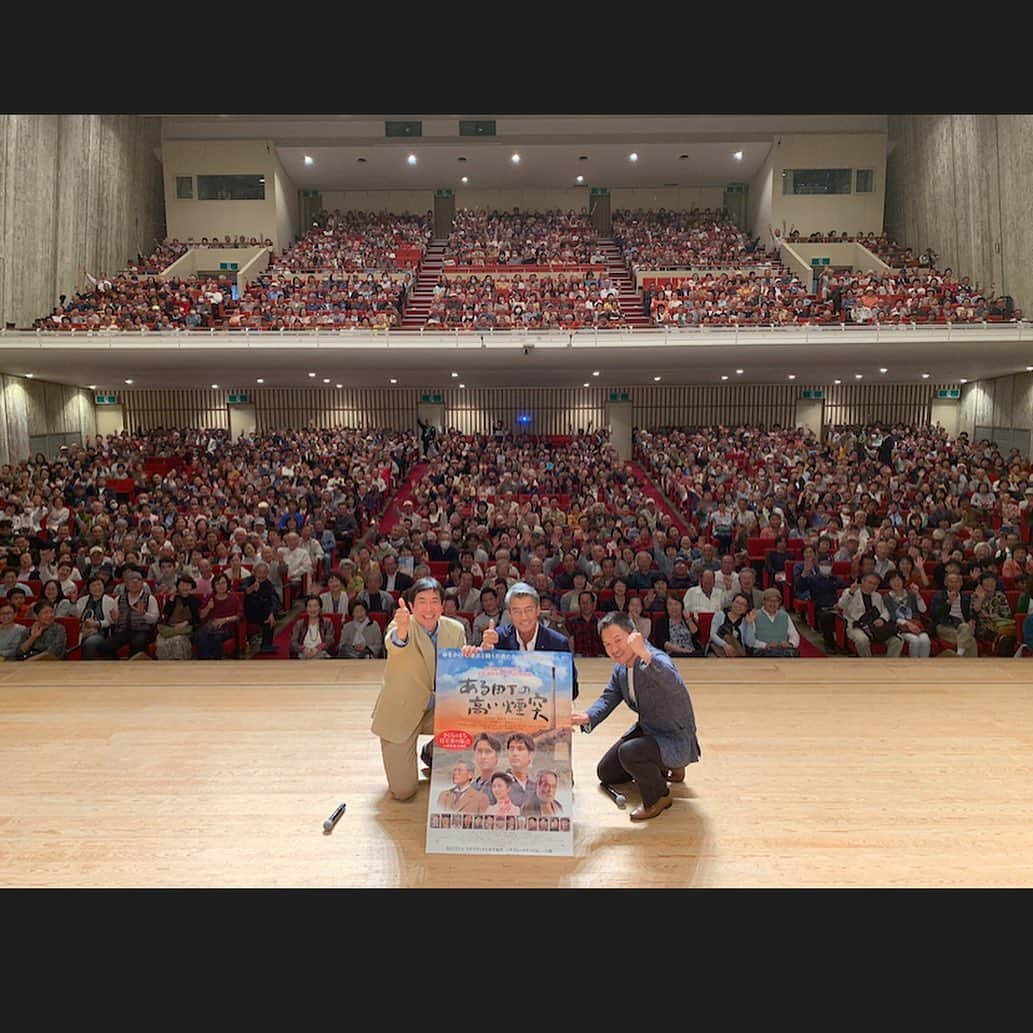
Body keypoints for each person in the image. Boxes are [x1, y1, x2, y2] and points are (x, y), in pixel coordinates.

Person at [571, 612, 701, 821]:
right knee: (606, 773)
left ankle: (659, 797)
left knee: (630, 753)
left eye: (617, 640)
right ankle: (664, 767)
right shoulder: (620, 668)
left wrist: (645, 655)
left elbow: (674, 684)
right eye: (607, 644)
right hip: (650, 729)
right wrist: (587, 717)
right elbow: (609, 698)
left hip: (673, 735)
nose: (613, 649)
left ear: (633, 635)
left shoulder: (654, 657)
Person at [370, 578, 469, 801]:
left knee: (475, 717)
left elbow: (461, 671)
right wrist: (402, 631)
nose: (429, 608)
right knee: (403, 792)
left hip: (438, 709)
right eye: (422, 601)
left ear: (443, 606)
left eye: (435, 601)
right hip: (402, 712)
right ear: (411, 606)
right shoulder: (400, 626)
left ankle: (432, 751)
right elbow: (394, 643)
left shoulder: (455, 630)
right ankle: (402, 753)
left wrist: (483, 650)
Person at [481, 582, 579, 698]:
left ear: (538, 610)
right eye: (517, 611)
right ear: (510, 614)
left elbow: (572, 691)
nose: (524, 617)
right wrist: (484, 651)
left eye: (529, 610)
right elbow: (484, 684)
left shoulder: (558, 643)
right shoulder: (497, 638)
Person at [838, 572, 903, 657]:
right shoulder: (851, 592)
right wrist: (851, 593)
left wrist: (882, 619)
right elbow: (841, 605)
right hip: (857, 626)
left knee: (898, 640)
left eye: (875, 584)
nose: (872, 586)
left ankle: (890, 664)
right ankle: (868, 664)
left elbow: (885, 611)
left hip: (875, 627)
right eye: (870, 582)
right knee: (862, 640)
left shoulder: (877, 596)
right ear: (863, 581)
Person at [106, 567, 159, 659]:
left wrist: (143, 614)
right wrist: (115, 620)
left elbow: (155, 619)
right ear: (126, 584)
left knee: (138, 642)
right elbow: (113, 620)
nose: (135, 584)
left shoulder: (150, 598)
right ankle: (115, 668)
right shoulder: (119, 599)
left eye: (138, 581)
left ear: (142, 584)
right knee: (107, 645)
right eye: (132, 581)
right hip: (123, 631)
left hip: (143, 630)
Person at [195, 572, 244, 660]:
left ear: (227, 584)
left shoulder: (233, 598)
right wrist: (208, 608)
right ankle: (204, 663)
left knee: (215, 637)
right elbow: (201, 616)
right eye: (217, 584)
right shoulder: (210, 597)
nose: (221, 586)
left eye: (223, 583)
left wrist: (224, 620)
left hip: (226, 627)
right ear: (214, 586)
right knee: (200, 635)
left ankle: (216, 663)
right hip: (210, 626)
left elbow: (239, 615)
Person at [883, 570, 931, 658]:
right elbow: (893, 617)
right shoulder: (887, 597)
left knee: (925, 640)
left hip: (916, 625)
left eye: (898, 579)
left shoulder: (911, 594)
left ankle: (924, 667)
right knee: (915, 641)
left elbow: (923, 610)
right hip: (900, 627)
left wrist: (917, 594)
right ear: (888, 583)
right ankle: (913, 667)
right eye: (893, 580)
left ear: (903, 581)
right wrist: (908, 624)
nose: (896, 582)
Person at [930, 571, 977, 657]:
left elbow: (972, 614)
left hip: (962, 628)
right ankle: (960, 658)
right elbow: (935, 615)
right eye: (951, 582)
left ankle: (961, 661)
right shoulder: (939, 596)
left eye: (956, 582)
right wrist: (948, 603)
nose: (954, 584)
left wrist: (972, 621)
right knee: (970, 639)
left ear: (961, 584)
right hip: (944, 626)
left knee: (968, 633)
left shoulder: (966, 597)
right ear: (945, 583)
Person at [156, 575, 202, 660]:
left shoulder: (195, 600)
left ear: (192, 587)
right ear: (178, 587)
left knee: (177, 641)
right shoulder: (173, 598)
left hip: (185, 629)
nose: (185, 587)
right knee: (162, 642)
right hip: (170, 628)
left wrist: (185, 623)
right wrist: (172, 597)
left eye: (187, 585)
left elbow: (197, 619)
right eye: (182, 585)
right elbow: (166, 614)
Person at [748, 587, 800, 656]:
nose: (773, 604)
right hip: (763, 651)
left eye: (776, 601)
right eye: (769, 601)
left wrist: (790, 643)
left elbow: (794, 635)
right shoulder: (755, 615)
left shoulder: (785, 616)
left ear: (779, 603)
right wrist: (765, 645)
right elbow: (750, 640)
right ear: (763, 601)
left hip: (783, 651)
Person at [289, 594, 334, 659]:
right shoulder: (299, 624)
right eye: (309, 606)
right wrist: (303, 649)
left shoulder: (327, 622)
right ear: (306, 608)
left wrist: (317, 649)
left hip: (321, 654)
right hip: (304, 655)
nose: (312, 609)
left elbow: (330, 640)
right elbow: (293, 642)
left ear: (320, 608)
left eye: (315, 606)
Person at [470, 731, 502, 803]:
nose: (483, 756)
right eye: (479, 751)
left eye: (488, 752)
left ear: (497, 756)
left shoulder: (504, 785)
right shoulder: (471, 787)